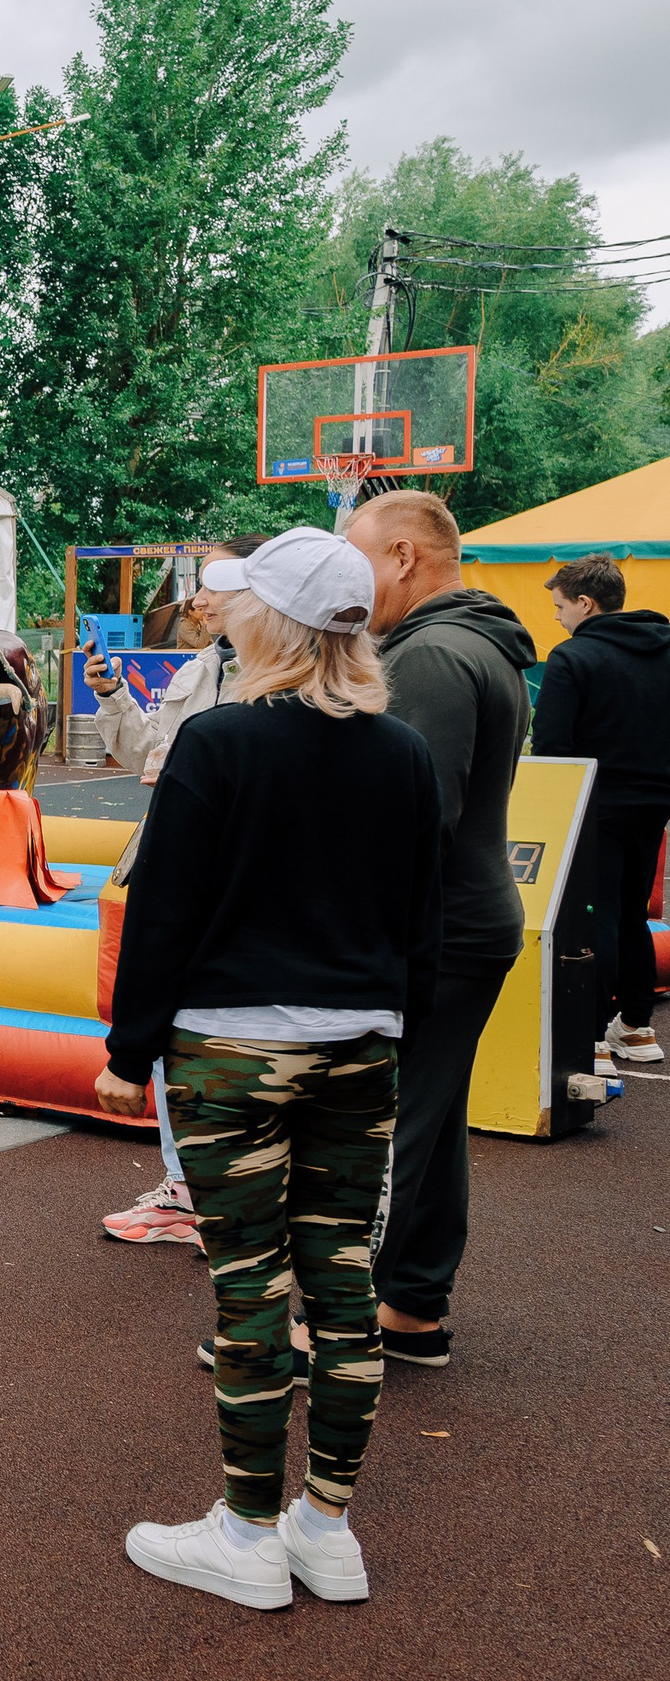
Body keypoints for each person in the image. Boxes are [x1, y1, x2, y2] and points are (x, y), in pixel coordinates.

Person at [98, 528, 441, 1610]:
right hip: (361, 1046)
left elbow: (163, 909)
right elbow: (419, 921)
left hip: (231, 1048)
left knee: (250, 1284)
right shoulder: (402, 751)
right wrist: (401, 1032)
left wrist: (127, 1050)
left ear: (272, 620)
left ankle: (245, 1531)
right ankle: (324, 1525)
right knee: (342, 1280)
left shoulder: (218, 739)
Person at [345, 489, 534, 1371]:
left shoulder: (432, 655)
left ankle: (336, 1320)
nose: (353, 580)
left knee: (389, 1119)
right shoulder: (482, 644)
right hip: (471, 916)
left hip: (440, 926)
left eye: (360, 557)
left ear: (406, 557)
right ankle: (412, 1304)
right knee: (433, 1108)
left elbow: (414, 818)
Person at [86, 535, 265, 1248]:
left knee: (221, 1030)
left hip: (232, 879)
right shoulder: (201, 667)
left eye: (213, 580)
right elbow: (148, 754)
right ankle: (189, 1188)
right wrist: (110, 693)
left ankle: (220, 1194)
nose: (195, 596)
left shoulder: (280, 679)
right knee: (174, 1027)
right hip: (177, 862)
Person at [534, 552, 670, 1070]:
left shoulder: (573, 657)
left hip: (594, 804)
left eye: (560, 605)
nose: (556, 616)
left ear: (585, 603)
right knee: (633, 912)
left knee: (594, 919)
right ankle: (635, 1027)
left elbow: (550, 746)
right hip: (654, 802)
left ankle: (590, 1036)